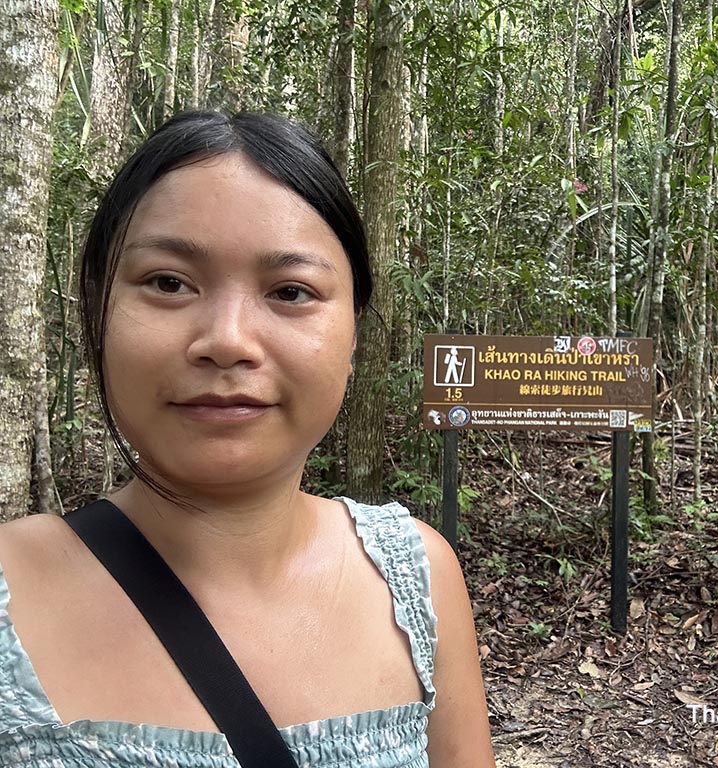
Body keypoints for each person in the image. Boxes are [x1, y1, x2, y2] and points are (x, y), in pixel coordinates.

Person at [0, 112, 495, 768]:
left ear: (352, 339)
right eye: (169, 283)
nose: (228, 339)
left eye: (290, 292)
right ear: (98, 313)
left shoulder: (415, 580)